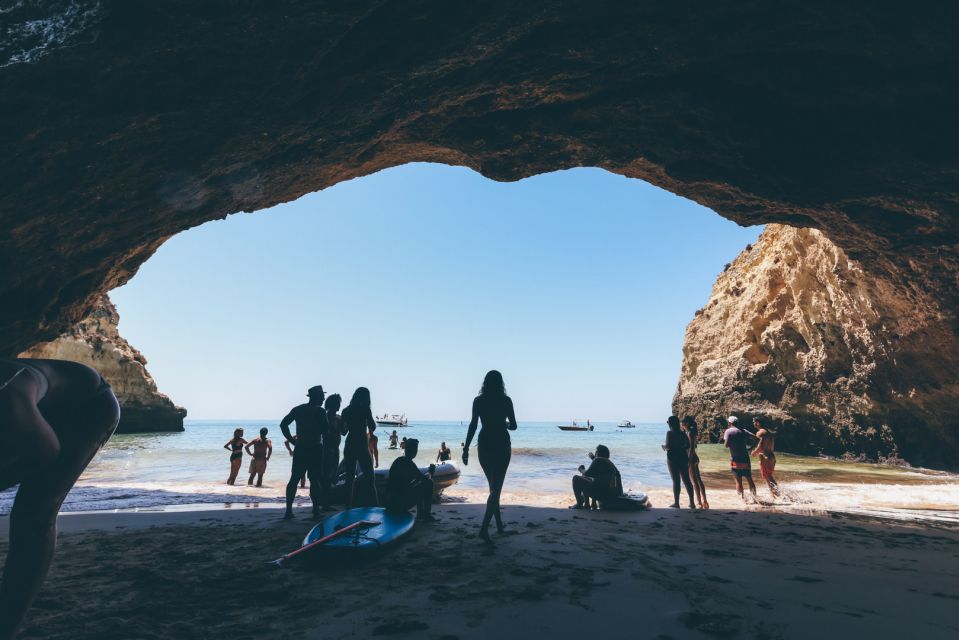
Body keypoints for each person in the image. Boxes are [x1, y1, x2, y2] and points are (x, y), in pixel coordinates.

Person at [0, 357, 120, 639]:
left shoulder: (8, 391)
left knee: (34, 516)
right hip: (38, 410)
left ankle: (6, 625)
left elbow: (44, 449)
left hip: (88, 406)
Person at [463, 370, 517, 543]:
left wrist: (465, 449)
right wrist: (505, 423)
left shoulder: (478, 401)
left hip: (484, 443)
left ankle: (499, 526)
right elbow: (514, 425)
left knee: (493, 487)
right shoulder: (506, 401)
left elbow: (473, 425)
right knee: (496, 488)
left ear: (485, 383)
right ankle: (484, 529)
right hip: (501, 442)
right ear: (501, 383)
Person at [279, 385, 329, 519]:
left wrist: (292, 440)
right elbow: (326, 431)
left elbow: (283, 424)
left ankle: (288, 510)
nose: (324, 399)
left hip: (300, 448)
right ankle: (316, 510)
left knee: (294, 479)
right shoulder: (320, 411)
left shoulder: (298, 409)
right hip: (315, 448)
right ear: (317, 397)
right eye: (322, 396)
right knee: (315, 480)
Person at [340, 387, 379, 510]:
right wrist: (367, 420)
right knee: (370, 478)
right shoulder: (365, 410)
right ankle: (374, 506)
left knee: (349, 478)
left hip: (350, 444)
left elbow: (343, 432)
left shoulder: (346, 410)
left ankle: (348, 506)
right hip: (362, 446)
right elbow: (373, 426)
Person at [385, 438, 436, 521]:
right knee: (429, 483)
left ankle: (421, 513)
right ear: (415, 451)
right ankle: (425, 514)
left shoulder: (398, 461)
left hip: (390, 503)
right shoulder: (409, 464)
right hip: (399, 504)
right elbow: (424, 480)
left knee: (420, 483)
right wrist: (431, 472)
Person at [571, 445, 622, 509]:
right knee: (589, 479)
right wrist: (593, 458)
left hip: (604, 495)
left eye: (596, 452)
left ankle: (580, 503)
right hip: (612, 494)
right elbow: (596, 474)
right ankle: (589, 504)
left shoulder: (598, 460)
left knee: (576, 478)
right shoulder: (608, 462)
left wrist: (581, 469)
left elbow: (587, 473)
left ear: (597, 453)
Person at [663, 416, 696, 509]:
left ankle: (677, 503)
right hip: (683, 457)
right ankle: (692, 503)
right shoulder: (683, 433)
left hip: (673, 458)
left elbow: (668, 445)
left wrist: (664, 447)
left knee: (676, 481)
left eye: (668, 422)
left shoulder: (669, 433)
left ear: (670, 423)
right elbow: (688, 445)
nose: (668, 424)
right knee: (687, 481)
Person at [723, 415, 757, 501]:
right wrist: (751, 448)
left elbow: (726, 445)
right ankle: (755, 499)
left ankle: (741, 500)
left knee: (738, 480)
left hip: (735, 459)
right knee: (749, 479)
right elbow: (756, 439)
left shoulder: (728, 431)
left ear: (730, 423)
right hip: (745, 458)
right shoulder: (744, 431)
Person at [682, 416, 709, 509]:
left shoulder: (689, 433)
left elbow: (692, 447)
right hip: (694, 458)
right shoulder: (691, 432)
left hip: (691, 458)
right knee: (698, 480)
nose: (682, 424)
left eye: (683, 422)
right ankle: (704, 501)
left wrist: (688, 459)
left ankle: (699, 503)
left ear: (687, 423)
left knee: (694, 482)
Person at [751, 417, 780, 497]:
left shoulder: (760, 432)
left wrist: (754, 452)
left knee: (768, 478)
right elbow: (771, 446)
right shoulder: (769, 432)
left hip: (765, 458)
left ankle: (777, 495)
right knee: (770, 477)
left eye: (754, 422)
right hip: (772, 457)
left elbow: (760, 445)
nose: (753, 424)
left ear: (758, 423)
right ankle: (775, 494)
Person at [322, 393, 342, 508]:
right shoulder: (325, 416)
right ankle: (324, 502)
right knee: (326, 475)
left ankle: (326, 501)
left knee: (332, 475)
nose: (339, 405)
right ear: (332, 404)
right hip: (327, 449)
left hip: (335, 449)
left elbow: (343, 432)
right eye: (338, 403)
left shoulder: (338, 417)